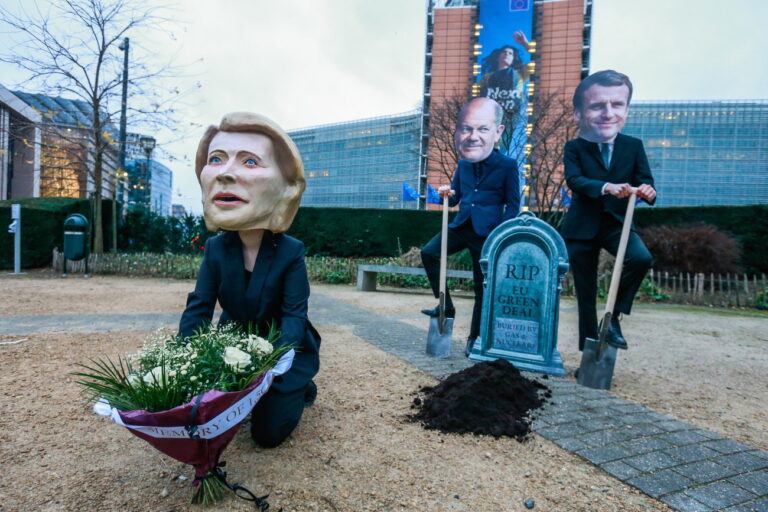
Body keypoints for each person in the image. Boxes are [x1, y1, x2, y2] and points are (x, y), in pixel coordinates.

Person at [179, 112, 320, 448]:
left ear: (287, 185)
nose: (226, 173)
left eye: (250, 161)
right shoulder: (216, 249)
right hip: (234, 346)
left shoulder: (290, 252)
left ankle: (301, 386)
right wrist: (184, 359)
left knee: (266, 435)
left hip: (285, 350)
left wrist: (272, 364)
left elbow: (294, 314)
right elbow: (199, 307)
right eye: (216, 159)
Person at [561, 70, 656, 352]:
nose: (608, 112)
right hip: (582, 227)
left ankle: (613, 317)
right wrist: (606, 186)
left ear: (626, 109)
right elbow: (574, 180)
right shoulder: (575, 147)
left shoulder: (633, 146)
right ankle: (590, 355)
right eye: (597, 105)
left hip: (618, 223)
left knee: (640, 258)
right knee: (586, 296)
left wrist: (649, 191)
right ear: (579, 113)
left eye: (617, 104)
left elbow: (645, 180)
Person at [421, 97, 521, 355]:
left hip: (487, 234)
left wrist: (502, 234)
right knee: (429, 253)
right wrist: (445, 191)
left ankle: (474, 338)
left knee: (481, 288)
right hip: (462, 224)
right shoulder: (464, 162)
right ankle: (446, 305)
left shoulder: (508, 165)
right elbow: (455, 197)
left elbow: (512, 204)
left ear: (496, 134)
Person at [478, 31, 532, 111]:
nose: (507, 54)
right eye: (504, 52)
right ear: (498, 57)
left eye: (510, 53)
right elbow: (478, 95)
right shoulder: (487, 77)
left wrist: (525, 43)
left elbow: (538, 57)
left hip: (512, 114)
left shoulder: (520, 74)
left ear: (513, 59)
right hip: (491, 113)